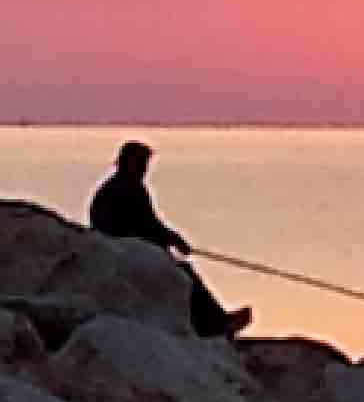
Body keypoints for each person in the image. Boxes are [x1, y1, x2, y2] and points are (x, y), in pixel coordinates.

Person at [87, 141, 249, 338]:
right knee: (184, 276)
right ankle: (214, 324)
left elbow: (147, 225)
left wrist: (171, 240)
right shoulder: (126, 189)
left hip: (126, 249)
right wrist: (173, 240)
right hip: (127, 252)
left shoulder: (119, 187)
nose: (145, 169)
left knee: (183, 273)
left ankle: (213, 322)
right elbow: (145, 225)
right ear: (130, 163)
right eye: (142, 163)